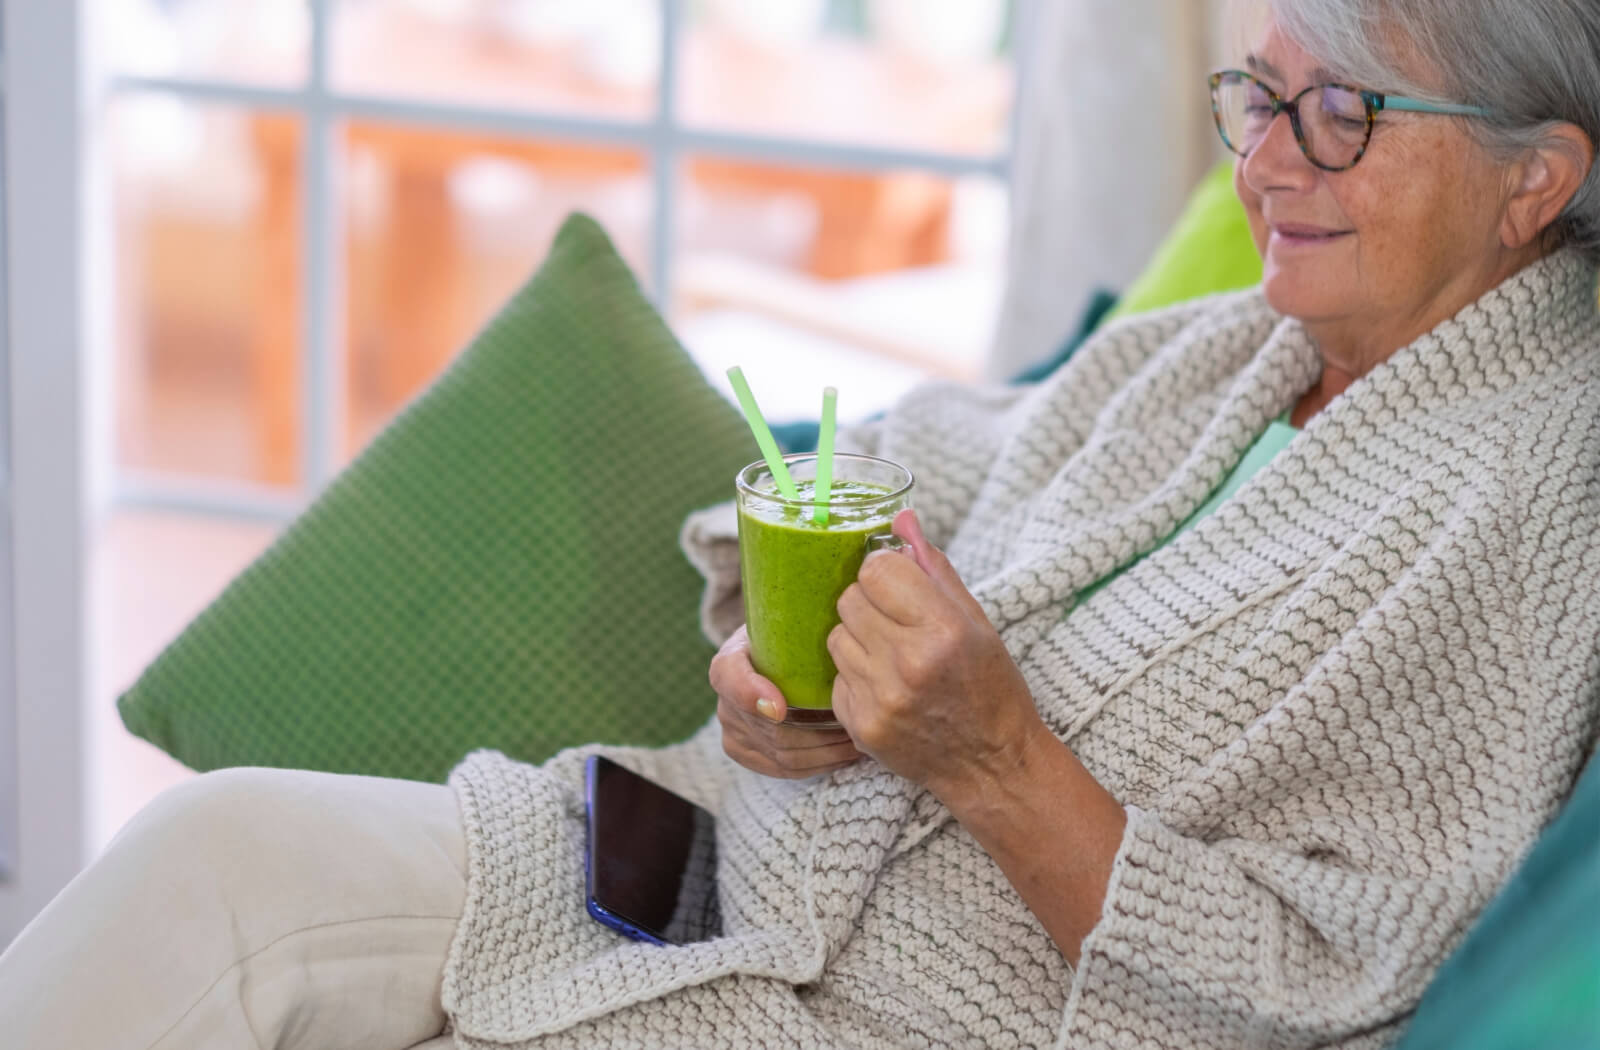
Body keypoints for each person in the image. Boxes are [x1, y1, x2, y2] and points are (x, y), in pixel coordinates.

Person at [4, 1, 1599, 1046]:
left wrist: (995, 758)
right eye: (1258, 94)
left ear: (1539, 183)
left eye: (1345, 116)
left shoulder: (1534, 492)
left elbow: (1338, 989)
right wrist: (790, 664)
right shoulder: (1231, 348)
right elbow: (899, 468)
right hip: (705, 862)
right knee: (217, 858)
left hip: (893, 1010)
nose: (1265, 161)